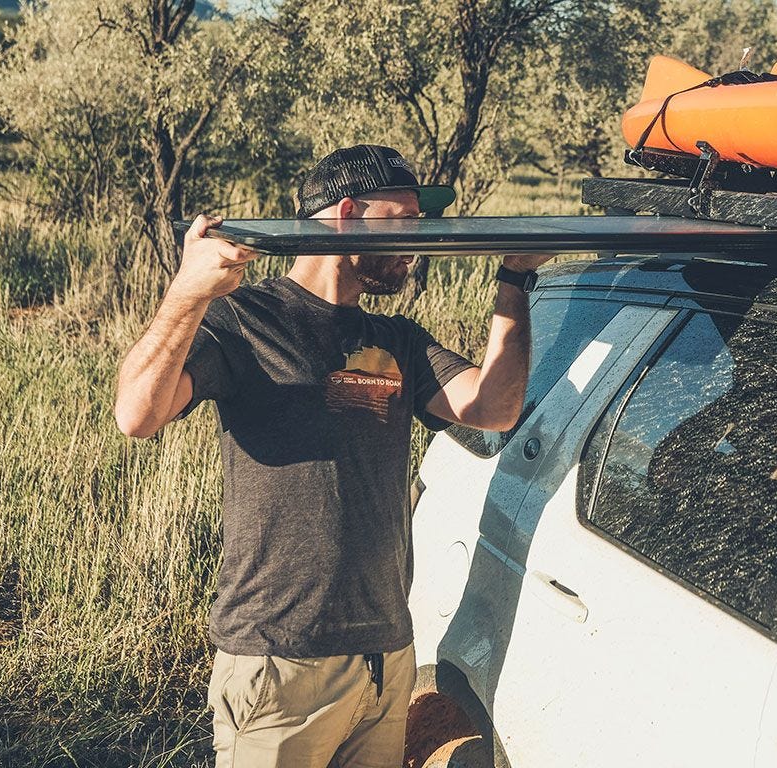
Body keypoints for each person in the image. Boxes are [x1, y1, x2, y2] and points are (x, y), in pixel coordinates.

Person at [113, 144, 552, 768]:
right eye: (402, 220)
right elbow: (137, 413)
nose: (416, 241)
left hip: (386, 661)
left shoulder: (395, 338)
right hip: (280, 665)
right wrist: (188, 294)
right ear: (347, 215)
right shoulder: (244, 322)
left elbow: (492, 409)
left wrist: (515, 279)